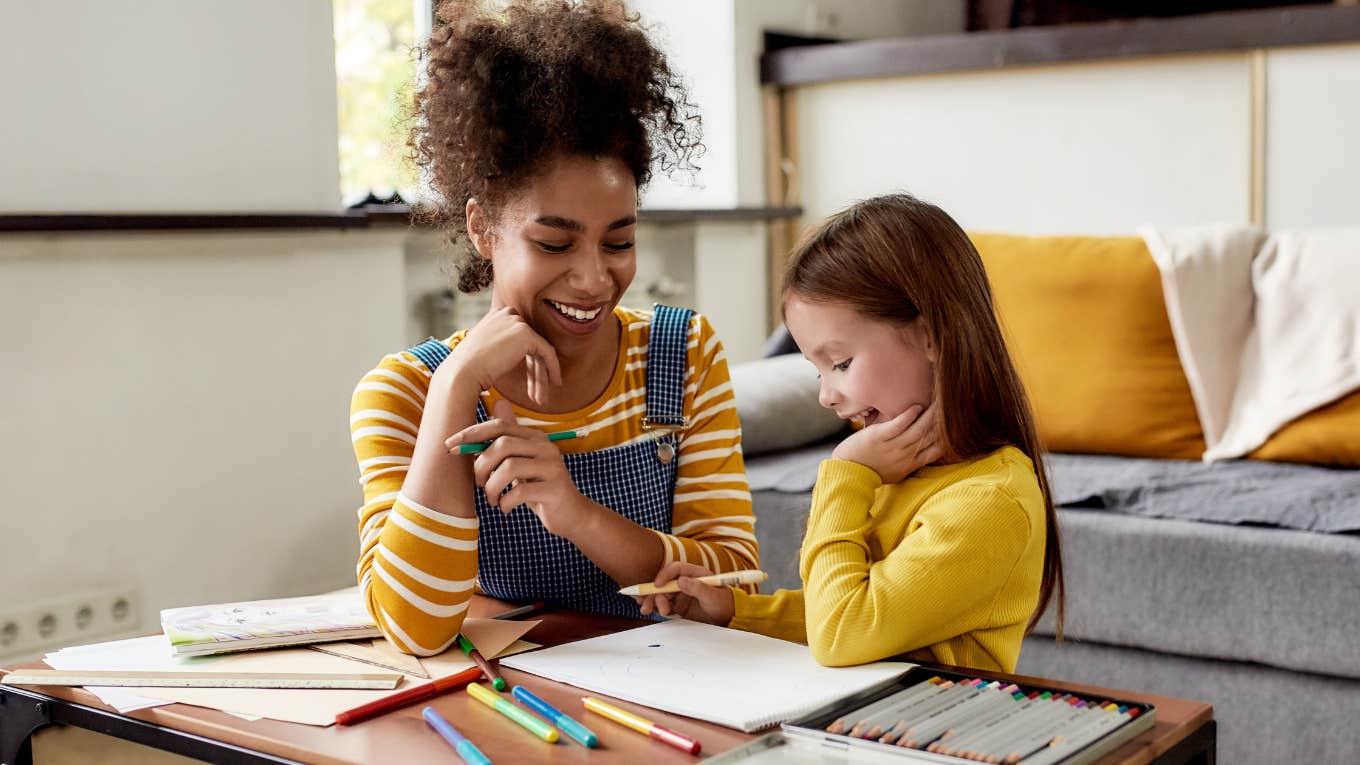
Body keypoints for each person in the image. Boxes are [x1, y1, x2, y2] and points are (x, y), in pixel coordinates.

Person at [350, 0, 757, 656]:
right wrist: (455, 387)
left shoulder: (681, 357)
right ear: (483, 228)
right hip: (503, 712)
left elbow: (733, 579)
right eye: (555, 244)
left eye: (618, 241)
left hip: (666, 706)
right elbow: (414, 628)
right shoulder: (402, 392)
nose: (594, 279)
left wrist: (577, 514)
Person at [639, 193, 1064, 673]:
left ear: (930, 336)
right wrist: (736, 611)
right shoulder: (897, 471)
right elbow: (850, 606)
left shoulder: (989, 501)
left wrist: (845, 474)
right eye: (818, 370)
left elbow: (842, 632)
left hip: (923, 739)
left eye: (840, 363)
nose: (826, 396)